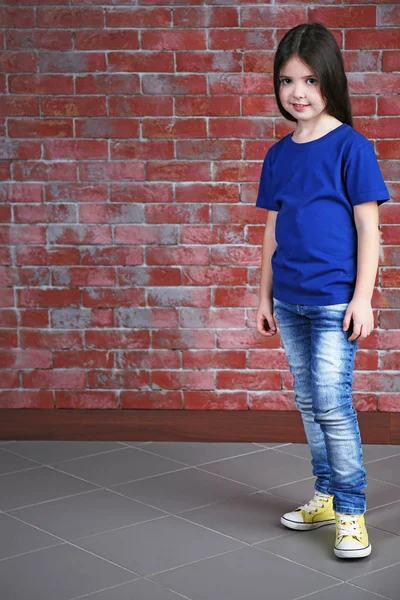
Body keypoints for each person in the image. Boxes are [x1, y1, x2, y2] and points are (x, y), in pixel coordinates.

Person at [255, 22, 390, 560]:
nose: (298, 93)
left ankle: (352, 511)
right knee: (310, 403)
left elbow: (369, 230)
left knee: (333, 404)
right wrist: (262, 297)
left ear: (329, 80)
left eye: (309, 80)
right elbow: (270, 233)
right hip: (289, 300)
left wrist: (362, 299)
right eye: (287, 81)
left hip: (336, 299)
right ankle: (327, 496)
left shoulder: (352, 148)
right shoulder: (278, 155)